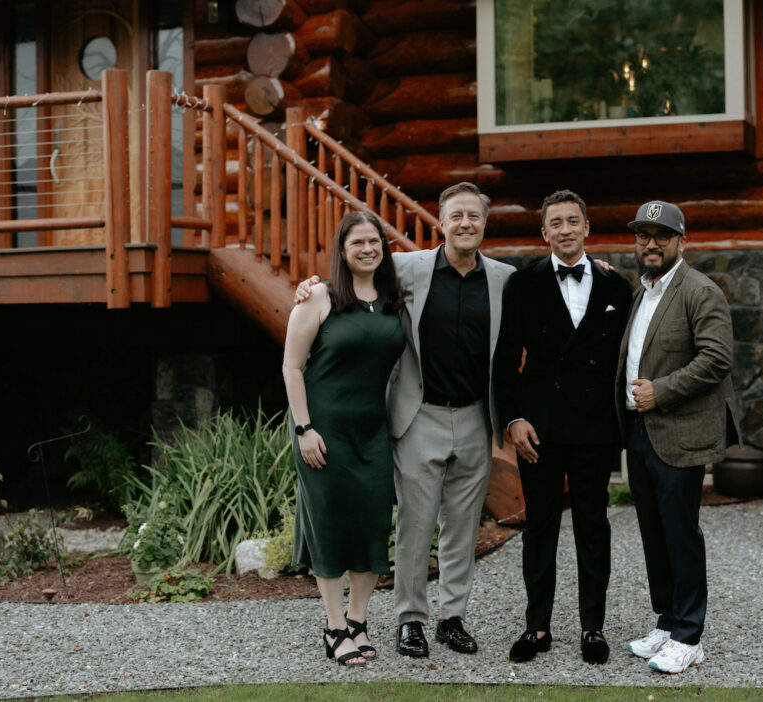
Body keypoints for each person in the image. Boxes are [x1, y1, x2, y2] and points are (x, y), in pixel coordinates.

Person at [295, 182, 515, 658]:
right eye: (456, 215)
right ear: (441, 222)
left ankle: (452, 618)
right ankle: (410, 620)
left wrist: (594, 268)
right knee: (416, 524)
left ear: (484, 223)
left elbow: (546, 298)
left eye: (473, 216)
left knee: (462, 524)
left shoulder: (504, 278)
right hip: (421, 416)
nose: (465, 224)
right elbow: (355, 270)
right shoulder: (409, 268)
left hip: (478, 416)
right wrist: (310, 284)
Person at [493, 190, 631, 664]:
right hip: (540, 428)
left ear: (587, 228)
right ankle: (537, 628)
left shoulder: (617, 287)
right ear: (545, 233)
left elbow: (624, 359)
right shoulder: (523, 284)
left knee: (593, 527)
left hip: (595, 427)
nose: (566, 229)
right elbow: (506, 359)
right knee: (541, 528)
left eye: (574, 221)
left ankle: (593, 627)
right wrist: (513, 419)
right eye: (557, 222)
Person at [615, 200, 739, 674]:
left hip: (679, 433)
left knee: (681, 534)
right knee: (654, 533)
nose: (650, 243)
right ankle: (666, 622)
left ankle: (689, 636)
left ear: (680, 241)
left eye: (661, 236)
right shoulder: (641, 293)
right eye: (643, 235)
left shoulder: (700, 290)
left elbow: (716, 359)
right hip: (640, 431)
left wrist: (660, 392)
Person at [282, 210, 406, 666]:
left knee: (372, 524)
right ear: (343, 250)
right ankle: (334, 627)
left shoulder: (394, 296)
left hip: (373, 432)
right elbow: (291, 367)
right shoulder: (319, 295)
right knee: (332, 527)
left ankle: (358, 621)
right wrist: (304, 429)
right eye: (358, 243)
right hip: (323, 432)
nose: (368, 249)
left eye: (374, 241)